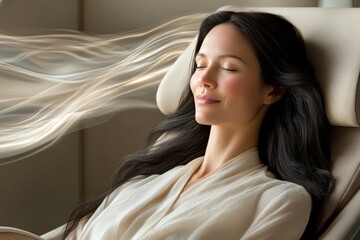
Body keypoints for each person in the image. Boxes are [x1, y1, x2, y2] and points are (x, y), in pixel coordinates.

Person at [61, 11, 334, 240]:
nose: (204, 79)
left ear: (272, 91)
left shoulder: (279, 200)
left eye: (228, 67)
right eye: (200, 65)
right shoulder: (139, 186)